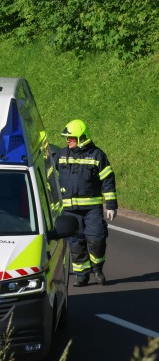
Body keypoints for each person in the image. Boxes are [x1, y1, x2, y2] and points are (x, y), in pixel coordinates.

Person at [56, 119, 117, 287]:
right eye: (67, 138)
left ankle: (97, 269)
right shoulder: (61, 155)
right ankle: (81, 275)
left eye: (71, 138)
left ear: (82, 138)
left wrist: (111, 205)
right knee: (75, 243)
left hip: (92, 209)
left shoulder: (97, 155)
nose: (68, 141)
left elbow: (108, 180)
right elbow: (49, 176)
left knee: (96, 239)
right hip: (70, 210)